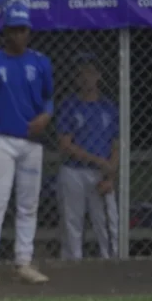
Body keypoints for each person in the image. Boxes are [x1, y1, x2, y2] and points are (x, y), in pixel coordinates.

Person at [0, 3, 53, 284]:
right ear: (4, 32)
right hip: (1, 138)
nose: (18, 35)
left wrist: (46, 116)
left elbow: (49, 99)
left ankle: (23, 262)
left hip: (32, 141)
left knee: (28, 204)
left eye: (23, 30)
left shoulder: (41, 62)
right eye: (13, 30)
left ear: (29, 31)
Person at [55, 53, 119, 260]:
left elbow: (116, 144)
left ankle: (111, 262)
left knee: (107, 223)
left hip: (100, 174)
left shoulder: (108, 107)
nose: (86, 78)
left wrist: (110, 175)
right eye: (80, 74)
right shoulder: (69, 105)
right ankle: (73, 264)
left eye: (90, 72)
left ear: (99, 75)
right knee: (72, 222)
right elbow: (65, 144)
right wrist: (99, 161)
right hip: (73, 170)